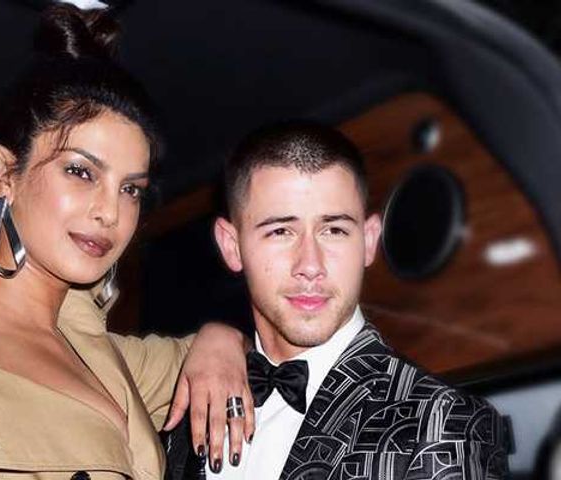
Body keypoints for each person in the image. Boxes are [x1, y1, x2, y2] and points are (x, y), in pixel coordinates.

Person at [0, 4, 254, 479]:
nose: (110, 212)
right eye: (81, 172)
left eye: (131, 189)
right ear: (5, 173)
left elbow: (254, 354)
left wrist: (221, 338)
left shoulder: (103, 357)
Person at [164, 121, 510, 479]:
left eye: (334, 230)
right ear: (232, 246)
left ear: (369, 241)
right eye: (281, 231)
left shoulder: (445, 424)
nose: (310, 266)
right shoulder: (192, 400)